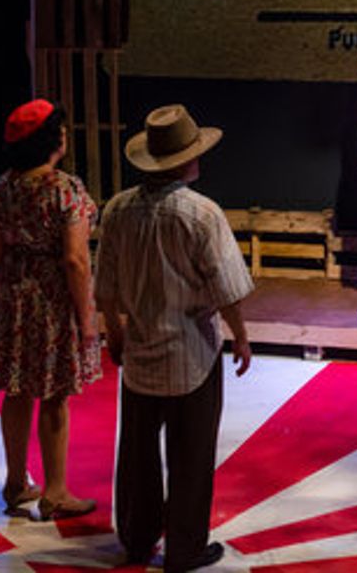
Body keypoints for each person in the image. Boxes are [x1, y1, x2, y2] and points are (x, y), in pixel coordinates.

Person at [95, 104, 253, 572]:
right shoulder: (202, 214)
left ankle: (138, 539)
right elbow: (226, 288)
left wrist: (114, 332)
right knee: (191, 454)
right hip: (193, 353)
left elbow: (105, 286)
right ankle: (184, 548)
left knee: (138, 452)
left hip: (141, 348)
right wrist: (241, 337)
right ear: (187, 160)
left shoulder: (119, 209)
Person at [0, 99, 100, 518]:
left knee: (16, 391)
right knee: (54, 394)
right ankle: (55, 491)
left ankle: (16, 483)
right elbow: (75, 259)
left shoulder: (1, 188)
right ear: (53, 140)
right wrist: (86, 318)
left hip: (12, 296)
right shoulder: (65, 189)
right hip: (51, 300)